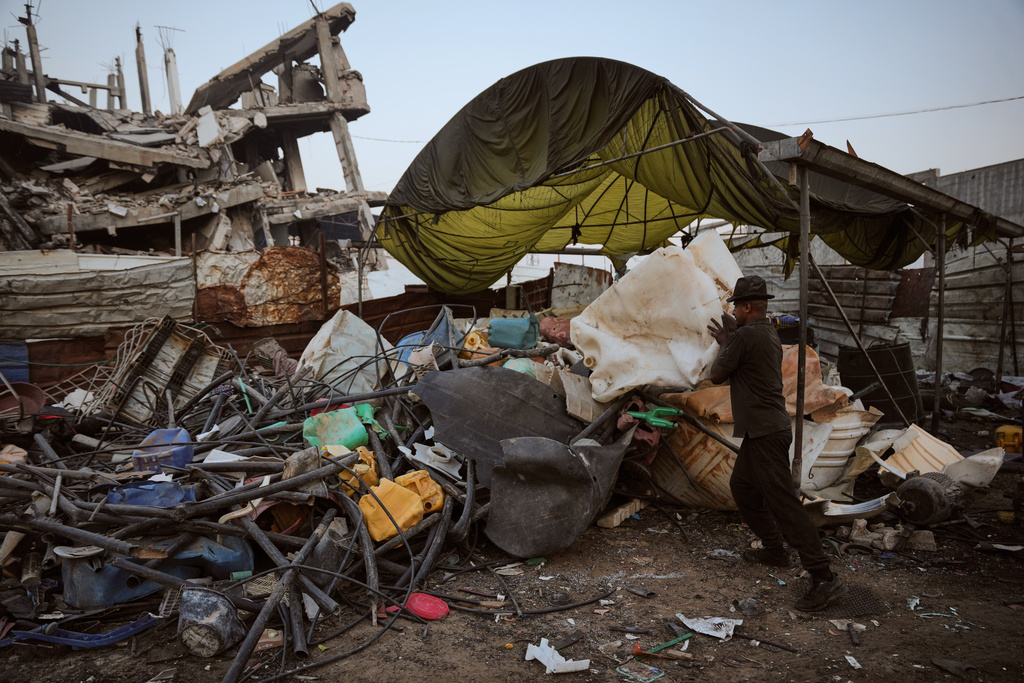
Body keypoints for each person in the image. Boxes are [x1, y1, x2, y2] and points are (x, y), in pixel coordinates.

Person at [707, 275, 846, 612]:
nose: (734, 313)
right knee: (743, 488)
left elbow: (716, 375)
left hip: (766, 432)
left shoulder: (745, 335)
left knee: (784, 503)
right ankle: (774, 550)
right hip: (762, 430)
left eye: (736, 308)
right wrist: (732, 339)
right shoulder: (768, 331)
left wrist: (726, 341)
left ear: (746, 307)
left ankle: (824, 577)